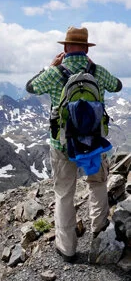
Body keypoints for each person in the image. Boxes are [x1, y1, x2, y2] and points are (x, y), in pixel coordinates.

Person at [27, 26, 123, 262]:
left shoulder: (54, 73)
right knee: (97, 184)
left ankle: (67, 248)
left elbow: (31, 87)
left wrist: (50, 67)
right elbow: (118, 86)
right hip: (94, 142)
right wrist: (94, 68)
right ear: (86, 48)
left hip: (62, 145)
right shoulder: (97, 71)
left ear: (66, 48)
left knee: (63, 193)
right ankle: (99, 233)